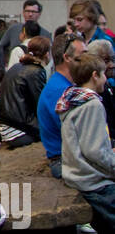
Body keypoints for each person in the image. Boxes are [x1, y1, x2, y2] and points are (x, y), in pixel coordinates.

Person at [58, 55, 115, 234]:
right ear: (94, 75)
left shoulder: (72, 99)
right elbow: (95, 151)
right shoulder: (91, 104)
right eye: (103, 74)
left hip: (77, 173)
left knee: (108, 232)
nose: (105, 80)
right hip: (93, 181)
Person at [36, 33, 87, 177]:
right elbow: (77, 136)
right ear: (67, 57)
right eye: (83, 54)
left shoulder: (61, 84)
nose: (88, 59)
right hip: (65, 161)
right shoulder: (61, 91)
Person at [0, 36, 50, 148]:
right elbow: (40, 106)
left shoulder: (17, 66)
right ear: (47, 54)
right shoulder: (35, 71)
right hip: (19, 130)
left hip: (5, 127)